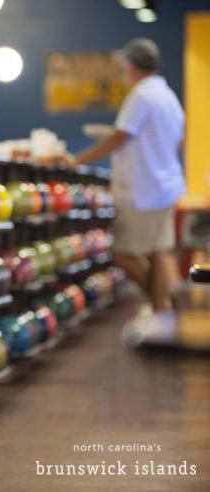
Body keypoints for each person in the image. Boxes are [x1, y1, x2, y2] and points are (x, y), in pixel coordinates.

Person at [67, 38, 185, 321]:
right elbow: (177, 141)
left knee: (118, 254)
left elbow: (120, 136)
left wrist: (77, 160)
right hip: (167, 186)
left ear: (130, 65)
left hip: (143, 190)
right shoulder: (168, 96)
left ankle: (164, 307)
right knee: (157, 253)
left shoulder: (142, 96)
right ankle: (165, 312)